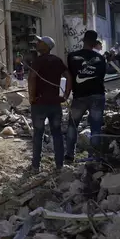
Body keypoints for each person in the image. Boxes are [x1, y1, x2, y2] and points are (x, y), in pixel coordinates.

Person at [28, 36, 71, 172]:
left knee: (38, 135)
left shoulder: (38, 61)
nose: (37, 43)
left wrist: (31, 97)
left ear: (45, 46)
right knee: (57, 134)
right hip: (54, 104)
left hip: (39, 104)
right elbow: (69, 76)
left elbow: (32, 78)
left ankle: (35, 166)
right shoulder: (57, 61)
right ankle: (59, 165)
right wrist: (66, 95)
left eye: (40, 42)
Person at [66, 30, 106, 161]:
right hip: (97, 96)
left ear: (83, 40)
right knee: (95, 127)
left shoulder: (71, 57)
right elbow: (102, 77)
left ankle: (70, 155)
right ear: (95, 44)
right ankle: (94, 156)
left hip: (79, 97)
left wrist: (67, 94)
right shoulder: (100, 58)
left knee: (72, 125)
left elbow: (70, 77)